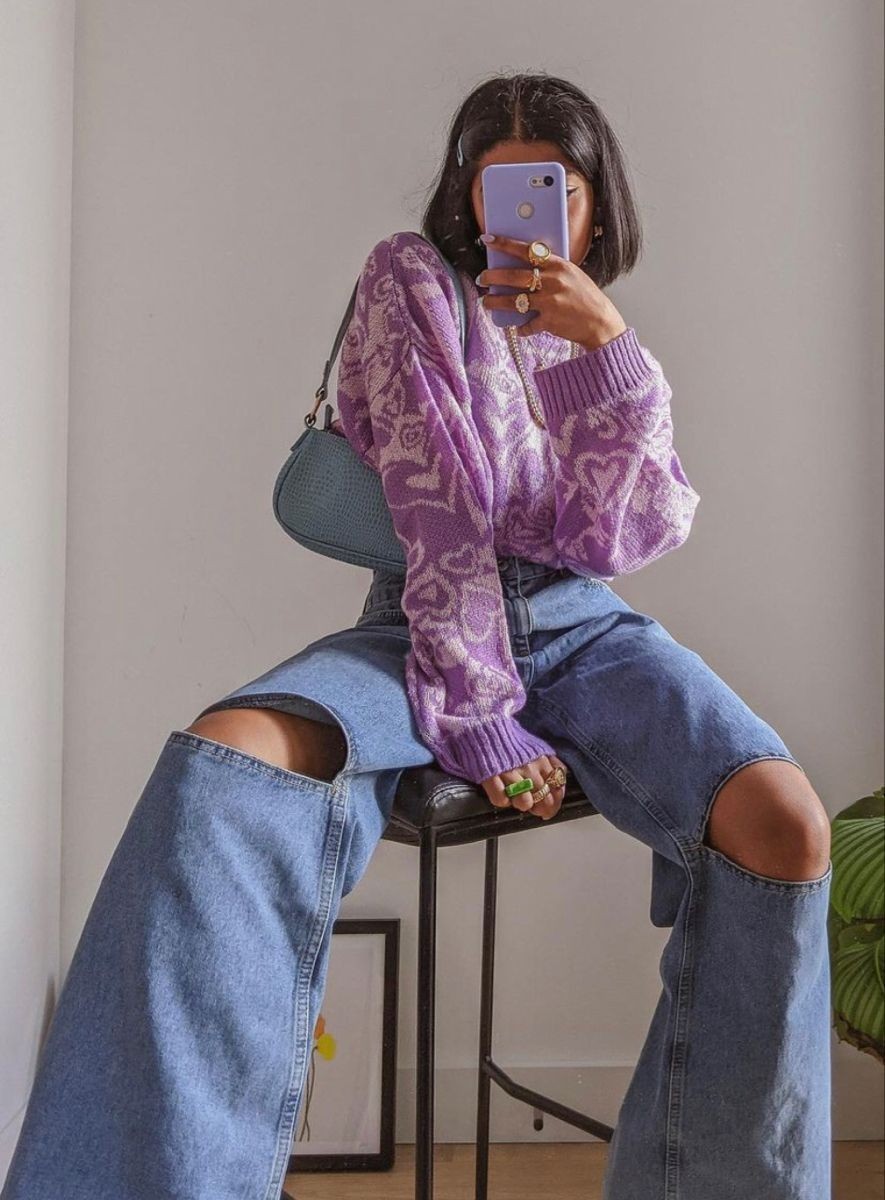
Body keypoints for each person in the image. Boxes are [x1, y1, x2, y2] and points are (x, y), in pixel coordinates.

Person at [2, 72, 833, 1200]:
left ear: (597, 200)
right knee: (218, 763)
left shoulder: (589, 327)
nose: (527, 211)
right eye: (499, 184)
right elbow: (440, 519)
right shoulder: (412, 281)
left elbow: (621, 537)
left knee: (785, 825)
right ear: (464, 191)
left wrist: (609, 354)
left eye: (558, 186)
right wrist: (480, 717)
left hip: (585, 627)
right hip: (424, 621)